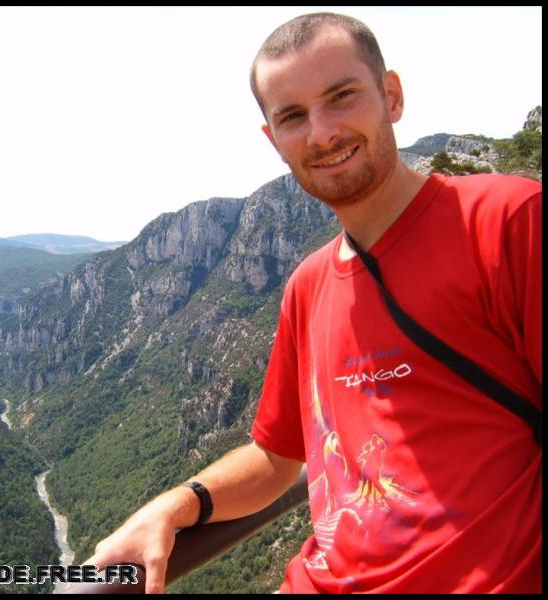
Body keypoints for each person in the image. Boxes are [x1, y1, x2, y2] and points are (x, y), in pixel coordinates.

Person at [86, 12, 542, 594]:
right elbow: (278, 459)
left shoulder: (508, 222)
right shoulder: (308, 285)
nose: (322, 133)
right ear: (273, 140)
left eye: (341, 97)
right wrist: (178, 504)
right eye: (293, 117)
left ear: (392, 96)